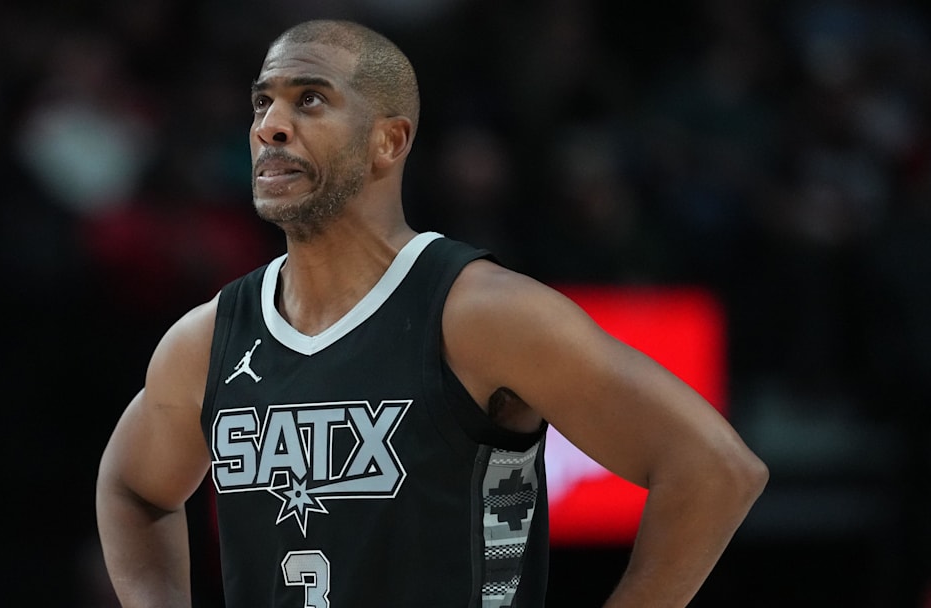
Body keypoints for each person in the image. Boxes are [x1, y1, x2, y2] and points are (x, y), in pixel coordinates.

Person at [95, 19, 769, 608]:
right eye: (263, 101)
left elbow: (715, 470)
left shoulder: (479, 312)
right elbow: (132, 488)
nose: (270, 124)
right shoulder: (211, 335)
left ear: (389, 141)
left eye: (309, 100)